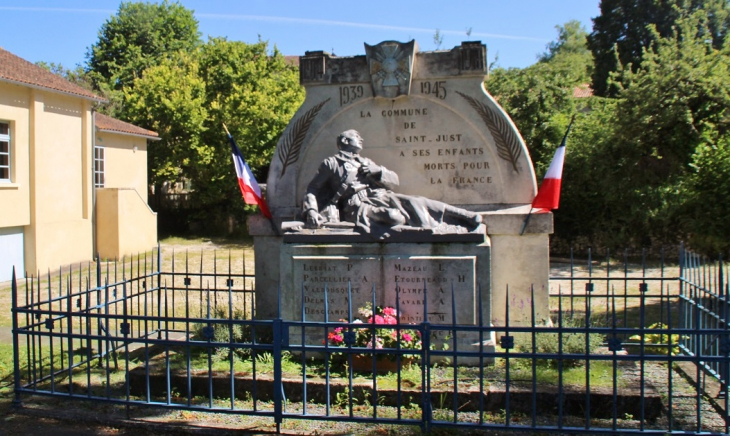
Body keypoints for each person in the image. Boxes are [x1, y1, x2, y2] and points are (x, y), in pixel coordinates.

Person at [302, 129, 482, 235]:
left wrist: (378, 171)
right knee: (395, 217)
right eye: (357, 136)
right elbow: (313, 189)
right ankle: (421, 229)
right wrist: (311, 210)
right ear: (345, 140)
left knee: (416, 201)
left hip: (382, 196)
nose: (361, 139)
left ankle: (466, 217)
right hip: (357, 205)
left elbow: (394, 181)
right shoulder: (332, 163)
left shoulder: (366, 162)